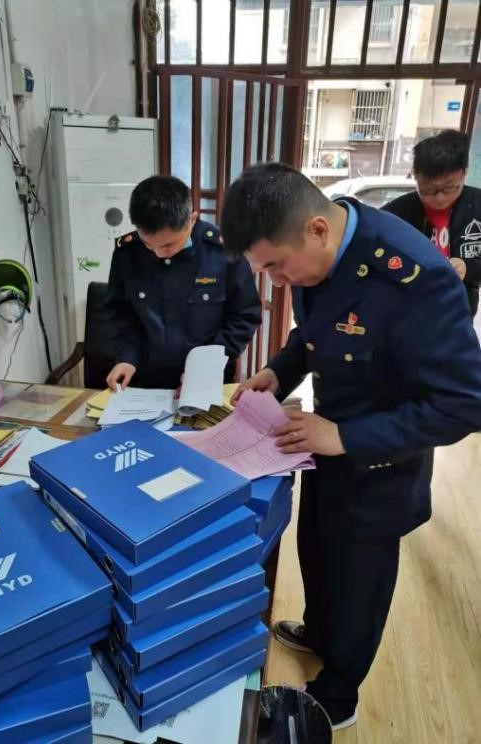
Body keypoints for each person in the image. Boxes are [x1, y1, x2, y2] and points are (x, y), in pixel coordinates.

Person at [220, 162, 481, 730]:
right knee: (315, 548)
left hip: (380, 459)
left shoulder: (415, 278)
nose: (277, 282)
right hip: (323, 440)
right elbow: (314, 333)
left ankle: (339, 694)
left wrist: (345, 437)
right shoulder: (326, 251)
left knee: (360, 581)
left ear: (315, 230)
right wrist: (278, 372)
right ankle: (319, 633)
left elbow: (464, 404)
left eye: (277, 267)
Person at [105, 175, 261, 390]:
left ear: (192, 219)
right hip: (145, 383)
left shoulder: (223, 251)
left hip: (206, 381)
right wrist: (127, 357)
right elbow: (120, 313)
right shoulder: (127, 254)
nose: (159, 254)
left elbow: (245, 315)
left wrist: (205, 368)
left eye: (169, 245)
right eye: (149, 245)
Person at [383, 129, 481, 317]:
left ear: (464, 173)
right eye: (428, 190)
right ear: (415, 176)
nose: (439, 198)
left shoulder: (477, 206)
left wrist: (467, 267)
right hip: (406, 311)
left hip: (458, 312)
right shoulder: (396, 212)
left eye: (450, 187)